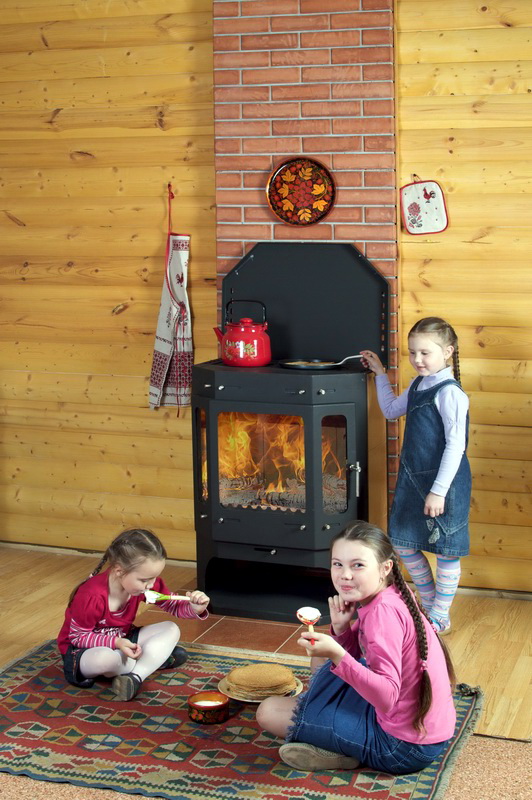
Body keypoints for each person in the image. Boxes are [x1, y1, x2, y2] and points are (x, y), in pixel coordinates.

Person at [256, 521, 457, 774]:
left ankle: (337, 750)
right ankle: (322, 717)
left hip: (401, 748)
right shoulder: (392, 592)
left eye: (358, 565)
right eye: (337, 564)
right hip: (423, 729)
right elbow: (364, 660)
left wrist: (336, 652)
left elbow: (386, 697)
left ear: (385, 568)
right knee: (324, 660)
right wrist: (342, 629)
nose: (345, 575)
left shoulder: (382, 614)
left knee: (268, 712)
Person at [360, 316, 471, 634]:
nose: (417, 359)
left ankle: (439, 616)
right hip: (414, 480)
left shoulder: (451, 394)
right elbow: (391, 410)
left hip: (444, 484)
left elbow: (455, 447)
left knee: (447, 549)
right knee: (403, 542)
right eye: (412, 353)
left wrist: (438, 491)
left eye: (425, 353)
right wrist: (381, 374)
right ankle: (432, 606)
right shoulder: (420, 384)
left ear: (447, 352)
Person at [57, 528, 209, 701]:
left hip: (123, 640)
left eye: (154, 577)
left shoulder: (145, 586)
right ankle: (151, 660)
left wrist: (195, 608)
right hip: (85, 651)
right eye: (144, 580)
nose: (151, 585)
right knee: (106, 659)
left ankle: (135, 677)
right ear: (119, 571)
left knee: (171, 628)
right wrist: (116, 643)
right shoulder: (91, 596)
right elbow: (78, 637)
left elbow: (173, 605)